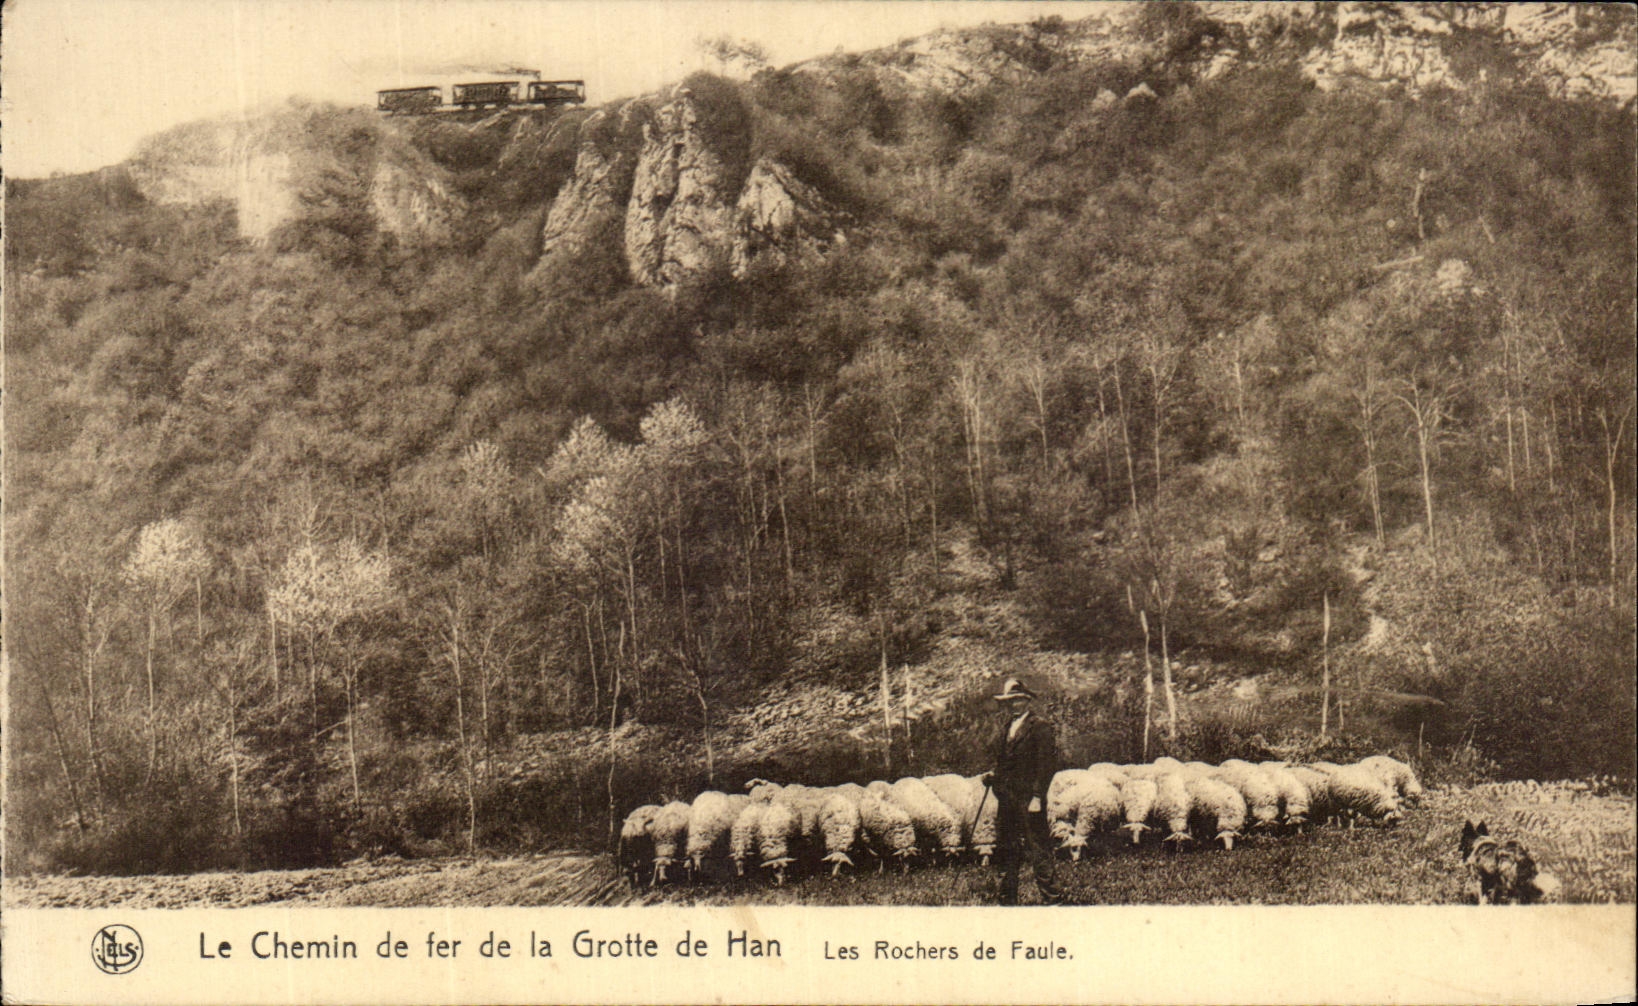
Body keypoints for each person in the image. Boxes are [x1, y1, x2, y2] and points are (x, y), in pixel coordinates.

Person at [980, 677, 1063, 905]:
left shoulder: (1040, 727)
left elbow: (1046, 765)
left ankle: (1052, 898)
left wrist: (1037, 796)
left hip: (1029, 798)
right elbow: (1005, 762)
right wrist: (993, 775)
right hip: (1007, 798)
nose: (1012, 705)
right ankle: (1008, 900)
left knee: (1038, 847)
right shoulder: (1007, 727)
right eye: (1009, 701)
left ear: (1027, 700)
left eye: (1017, 700)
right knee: (1007, 847)